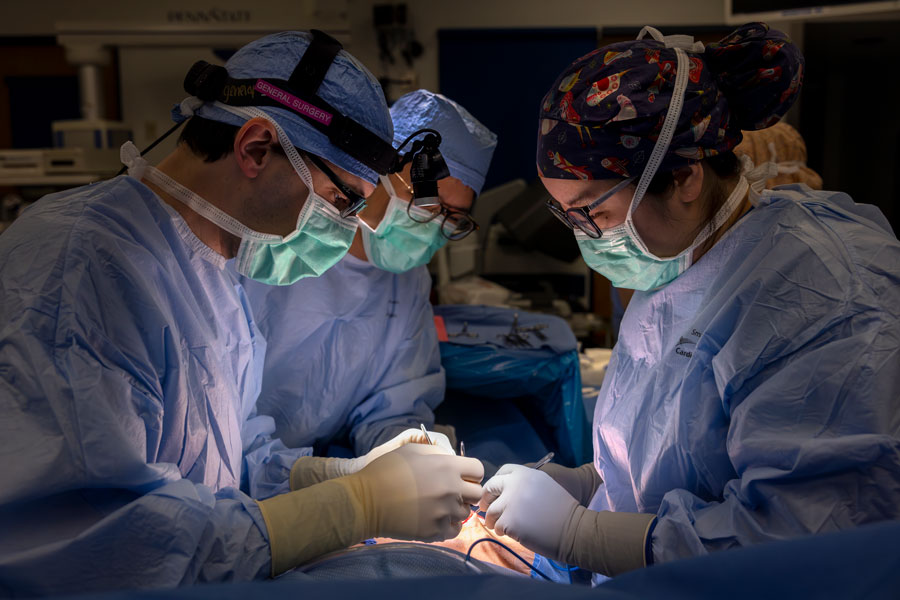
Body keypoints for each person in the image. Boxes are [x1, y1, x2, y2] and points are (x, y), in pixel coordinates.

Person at [0, 31, 483, 596]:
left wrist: (340, 475)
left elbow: (225, 461)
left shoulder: (212, 269)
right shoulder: (84, 266)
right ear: (255, 147)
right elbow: (102, 541)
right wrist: (356, 505)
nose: (350, 227)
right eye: (341, 201)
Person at [478, 22, 900, 583]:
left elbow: (801, 539)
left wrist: (583, 533)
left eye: (594, 213)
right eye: (567, 215)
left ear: (683, 178)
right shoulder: (674, 271)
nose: (585, 238)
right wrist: (585, 486)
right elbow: (663, 466)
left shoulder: (824, 298)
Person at [237, 90, 496, 488]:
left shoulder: (407, 279)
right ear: (376, 170)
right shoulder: (280, 250)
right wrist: (316, 480)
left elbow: (392, 406)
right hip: (234, 474)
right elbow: (224, 423)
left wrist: (409, 452)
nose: (433, 222)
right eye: (427, 199)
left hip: (306, 471)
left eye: (453, 215)